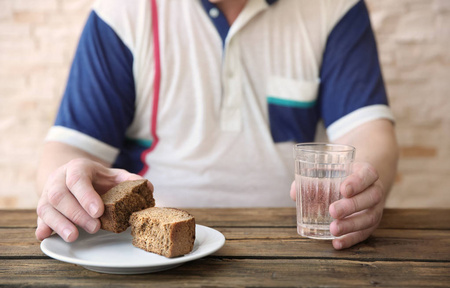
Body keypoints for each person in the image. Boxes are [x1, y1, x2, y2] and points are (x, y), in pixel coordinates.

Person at [35, 0, 399, 250]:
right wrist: (65, 184)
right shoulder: (121, 12)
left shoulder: (335, 7)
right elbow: (70, 147)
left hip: (295, 244)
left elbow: (367, 131)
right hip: (143, 252)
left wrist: (360, 187)